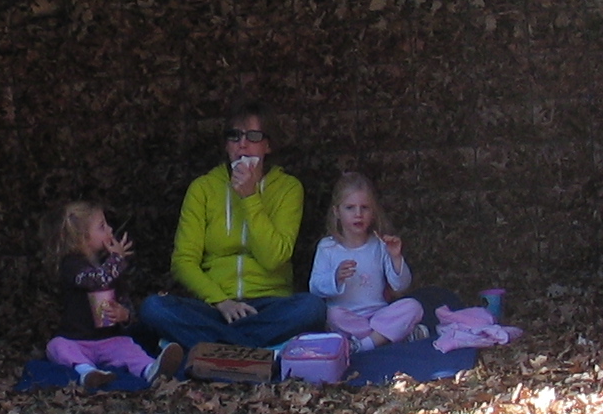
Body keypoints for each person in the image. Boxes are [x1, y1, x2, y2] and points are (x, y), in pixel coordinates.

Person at [136, 104, 329, 350]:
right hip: (214, 307)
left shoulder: (288, 188)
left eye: (253, 136)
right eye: (234, 136)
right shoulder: (203, 188)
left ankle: (216, 347)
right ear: (226, 145)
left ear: (267, 146)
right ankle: (250, 349)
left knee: (311, 308)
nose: (242, 144)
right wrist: (221, 301)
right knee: (154, 308)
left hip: (268, 305)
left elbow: (275, 257)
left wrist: (250, 198)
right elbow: (183, 261)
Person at [46, 201, 185, 391]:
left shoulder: (109, 265)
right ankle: (87, 372)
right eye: (102, 227)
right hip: (77, 340)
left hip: (109, 340)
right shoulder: (72, 265)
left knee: (127, 345)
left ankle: (150, 370)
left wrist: (124, 315)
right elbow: (96, 280)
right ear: (83, 238)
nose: (110, 229)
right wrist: (117, 260)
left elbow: (123, 299)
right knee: (57, 346)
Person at [310, 172, 425, 349]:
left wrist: (396, 257)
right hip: (348, 318)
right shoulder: (327, 247)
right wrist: (335, 277)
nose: (358, 214)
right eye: (350, 208)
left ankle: (366, 344)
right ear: (337, 212)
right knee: (332, 315)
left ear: (373, 211)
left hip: (379, 314)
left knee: (413, 306)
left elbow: (401, 286)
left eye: (365, 208)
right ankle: (388, 337)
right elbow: (315, 287)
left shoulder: (379, 244)